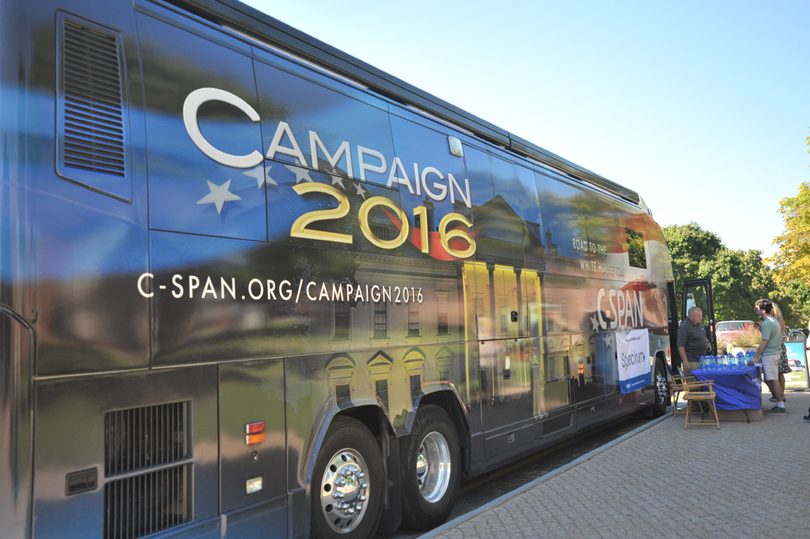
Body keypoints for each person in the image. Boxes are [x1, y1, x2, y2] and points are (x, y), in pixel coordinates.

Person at [750, 299, 785, 414]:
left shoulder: (768, 323)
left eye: (757, 308)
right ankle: (779, 403)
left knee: (773, 380)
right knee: (769, 379)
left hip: (770, 355)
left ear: (763, 310)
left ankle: (780, 405)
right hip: (773, 353)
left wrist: (755, 358)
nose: (755, 310)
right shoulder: (773, 321)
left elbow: (764, 342)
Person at [677, 306, 710, 374]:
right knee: (694, 382)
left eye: (701, 316)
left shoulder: (699, 323)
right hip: (692, 360)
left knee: (702, 381)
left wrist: (707, 342)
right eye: (698, 316)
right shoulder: (684, 327)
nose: (701, 317)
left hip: (701, 359)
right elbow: (680, 345)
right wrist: (685, 361)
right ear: (690, 316)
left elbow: (702, 334)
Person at [770, 302, 790, 402]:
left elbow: (780, 335)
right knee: (774, 373)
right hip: (773, 346)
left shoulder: (779, 320)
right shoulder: (770, 320)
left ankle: (781, 394)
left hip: (778, 346)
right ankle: (777, 394)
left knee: (780, 372)